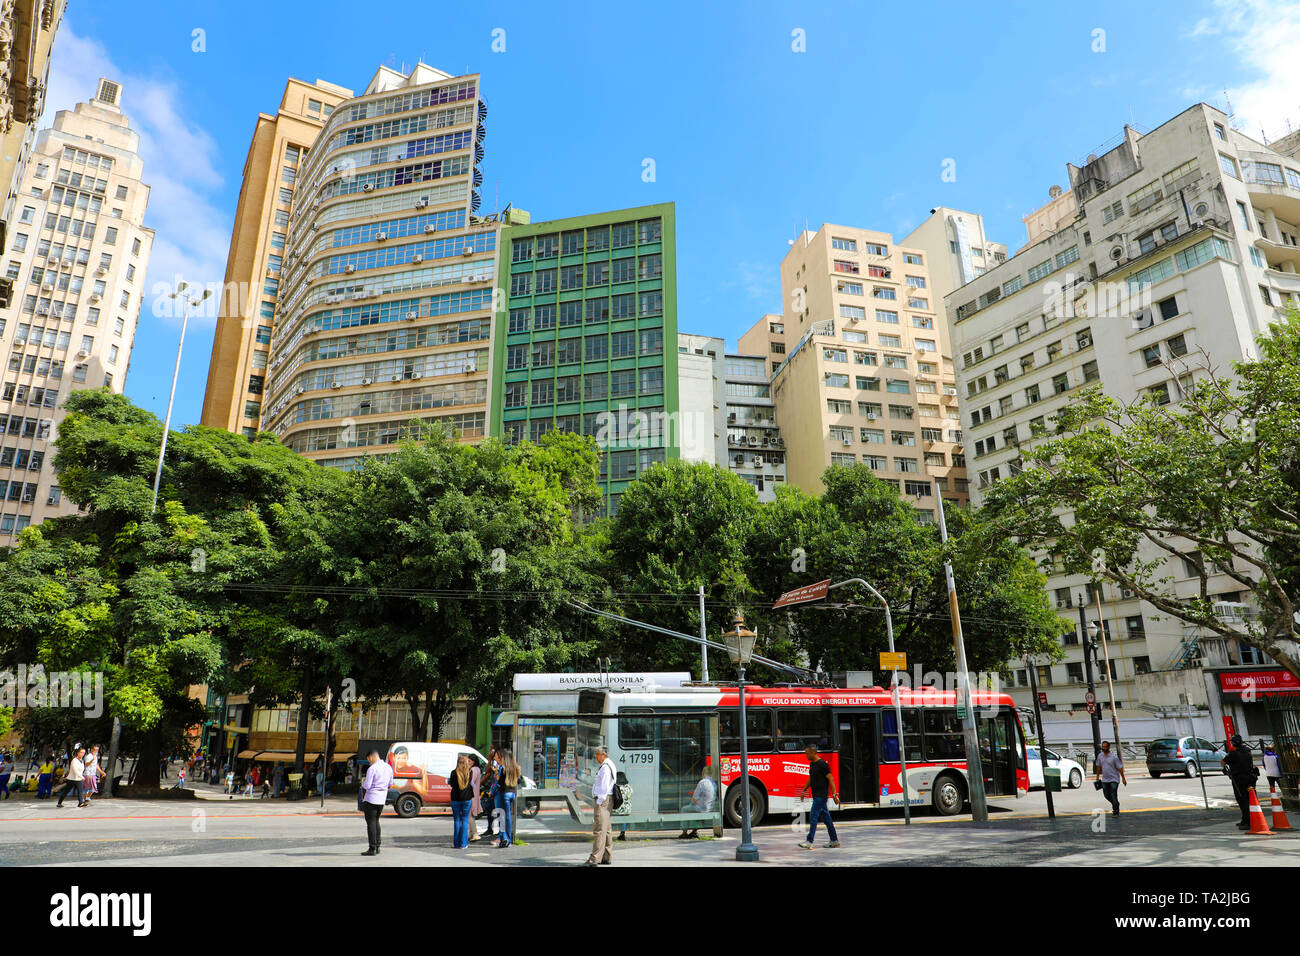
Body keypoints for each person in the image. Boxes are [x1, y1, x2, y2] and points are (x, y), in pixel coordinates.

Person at [798, 744, 840, 849]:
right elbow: (811, 778)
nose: (806, 756)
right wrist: (804, 790)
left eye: (807, 753)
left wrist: (834, 794)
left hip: (821, 796)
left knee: (813, 816)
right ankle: (834, 841)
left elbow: (831, 779)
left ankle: (809, 841)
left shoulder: (822, 764)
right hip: (816, 795)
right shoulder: (812, 764)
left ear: (813, 753)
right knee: (827, 819)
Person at [585, 745, 616, 866]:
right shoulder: (610, 764)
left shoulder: (605, 768)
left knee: (599, 829)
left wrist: (599, 802)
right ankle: (606, 856)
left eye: (597, 754)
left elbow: (604, 787)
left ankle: (595, 858)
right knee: (606, 829)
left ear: (603, 755)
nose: (596, 756)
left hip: (603, 800)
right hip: (608, 799)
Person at [359, 749, 393, 856]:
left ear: (371, 757)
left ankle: (372, 848)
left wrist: (363, 783)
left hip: (371, 799)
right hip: (381, 799)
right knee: (376, 821)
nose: (369, 762)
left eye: (368, 760)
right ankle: (377, 846)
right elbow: (390, 783)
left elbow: (367, 785)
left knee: (371, 823)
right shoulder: (388, 767)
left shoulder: (372, 768)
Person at [1224, 735, 1259, 829]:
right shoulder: (1247, 750)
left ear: (1233, 743)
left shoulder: (1233, 754)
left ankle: (1247, 821)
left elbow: (1223, 761)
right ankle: (1247, 819)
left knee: (1243, 800)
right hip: (1251, 778)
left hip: (1239, 780)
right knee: (1251, 798)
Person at [679, 766, 716, 839]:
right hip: (710, 808)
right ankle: (694, 831)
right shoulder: (713, 783)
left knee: (684, 809)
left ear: (703, 773)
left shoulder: (702, 782)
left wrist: (692, 803)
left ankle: (684, 832)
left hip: (702, 808)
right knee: (694, 807)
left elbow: (694, 799)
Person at [449, 753, 475, 849]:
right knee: (465, 820)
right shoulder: (469, 772)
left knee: (457, 820)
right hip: (467, 798)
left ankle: (456, 843)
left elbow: (452, 784)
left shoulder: (453, 772)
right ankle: (463, 844)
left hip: (455, 799)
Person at [496, 750, 521, 848]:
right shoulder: (516, 768)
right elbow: (519, 780)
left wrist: (498, 777)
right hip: (512, 793)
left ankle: (505, 837)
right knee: (508, 816)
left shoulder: (504, 768)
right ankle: (509, 839)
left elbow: (500, 783)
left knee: (502, 816)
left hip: (505, 792)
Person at [1094, 740, 1126, 816]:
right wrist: (1097, 776)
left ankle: (1115, 811)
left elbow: (1120, 768)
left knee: (1113, 794)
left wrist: (1123, 778)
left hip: (1114, 779)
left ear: (1109, 747)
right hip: (1105, 779)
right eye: (1103, 746)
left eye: (1105, 747)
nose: (1103, 748)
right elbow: (1099, 766)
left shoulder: (1114, 757)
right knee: (1106, 795)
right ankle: (1116, 803)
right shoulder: (1100, 756)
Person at [468, 755, 483, 842]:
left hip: (471, 795)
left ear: (473, 762)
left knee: (470, 815)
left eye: (469, 761)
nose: (468, 763)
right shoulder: (478, 769)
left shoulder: (473, 770)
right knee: (471, 815)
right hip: (475, 794)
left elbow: (471, 782)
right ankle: (471, 834)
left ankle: (474, 833)